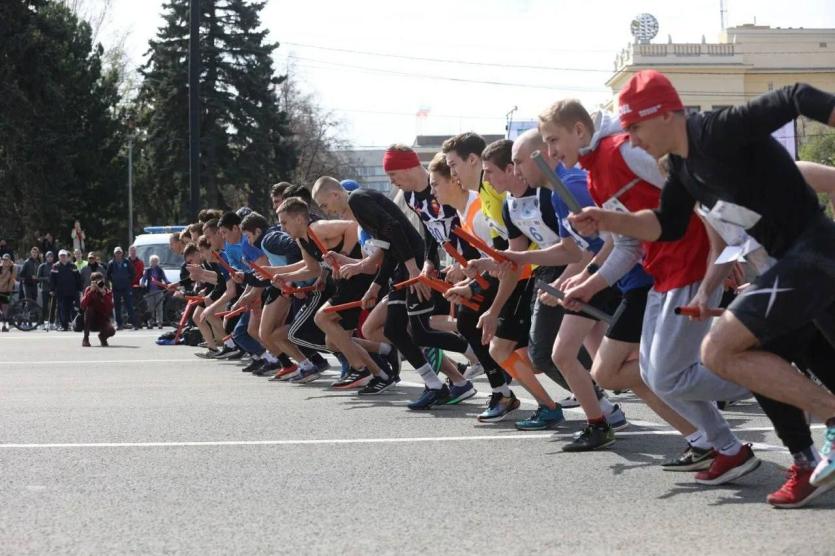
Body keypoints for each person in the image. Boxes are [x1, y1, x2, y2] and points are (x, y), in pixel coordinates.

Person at [574, 70, 835, 489]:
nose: (632, 140)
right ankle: (805, 461)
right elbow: (666, 225)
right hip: (786, 270)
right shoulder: (682, 168)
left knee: (720, 348)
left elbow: (794, 94)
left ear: (663, 116)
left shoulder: (718, 130)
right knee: (752, 358)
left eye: (635, 127)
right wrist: (607, 219)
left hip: (815, 254)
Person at [80, 271, 115, 347]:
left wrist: (104, 294)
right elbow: (83, 305)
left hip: (102, 319)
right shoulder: (89, 289)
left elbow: (110, 307)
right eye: (96, 282)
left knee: (111, 330)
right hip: (90, 320)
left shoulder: (106, 291)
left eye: (100, 281)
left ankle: (102, 337)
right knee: (89, 310)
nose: (99, 284)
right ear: (92, 282)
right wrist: (90, 292)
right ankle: (86, 338)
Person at [50, 250, 82, 331]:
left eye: (64, 256)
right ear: (59, 257)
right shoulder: (55, 266)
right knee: (62, 309)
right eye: (61, 256)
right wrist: (52, 289)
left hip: (72, 291)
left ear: (67, 257)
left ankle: (73, 325)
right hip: (61, 292)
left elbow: (78, 278)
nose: (63, 257)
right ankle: (64, 326)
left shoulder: (73, 266)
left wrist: (79, 289)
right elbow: (52, 279)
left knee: (73, 309)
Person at [106, 246, 136, 330]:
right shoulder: (111, 263)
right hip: (116, 288)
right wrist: (113, 281)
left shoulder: (127, 262)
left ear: (122, 253)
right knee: (117, 307)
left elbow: (133, 273)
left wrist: (128, 281)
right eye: (116, 253)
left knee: (129, 305)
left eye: (119, 252)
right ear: (114, 254)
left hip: (126, 287)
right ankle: (119, 324)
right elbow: (108, 275)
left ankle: (134, 324)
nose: (118, 254)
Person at [141, 255, 169, 328]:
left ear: (157, 262)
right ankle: (150, 323)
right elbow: (144, 278)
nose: (154, 263)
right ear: (150, 262)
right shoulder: (148, 270)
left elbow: (165, 278)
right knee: (150, 308)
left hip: (159, 291)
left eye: (156, 261)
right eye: (153, 261)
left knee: (159, 308)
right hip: (150, 291)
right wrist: (142, 283)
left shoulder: (160, 270)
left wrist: (168, 283)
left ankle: (160, 323)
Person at [37, 251, 55, 326]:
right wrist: (46, 279)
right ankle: (41, 322)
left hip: (53, 289)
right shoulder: (42, 266)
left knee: (53, 307)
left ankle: (51, 322)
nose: (49, 258)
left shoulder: (55, 266)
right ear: (46, 257)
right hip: (44, 289)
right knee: (44, 306)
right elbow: (38, 278)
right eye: (48, 257)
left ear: (53, 258)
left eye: (51, 257)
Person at [0, 253, 16, 332]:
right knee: (2, 310)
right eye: (4, 259)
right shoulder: (0, 267)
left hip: (6, 291)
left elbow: (12, 279)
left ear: (9, 259)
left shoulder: (12, 267)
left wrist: (9, 289)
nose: (5, 261)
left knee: (5, 309)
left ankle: (4, 326)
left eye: (6, 259)